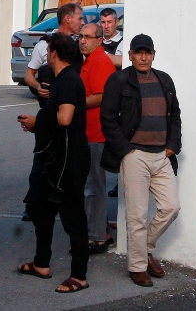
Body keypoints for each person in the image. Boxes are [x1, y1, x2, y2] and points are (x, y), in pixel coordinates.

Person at [99, 34, 182, 287]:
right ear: (131, 55)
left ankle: (144, 248)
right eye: (138, 52)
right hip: (135, 155)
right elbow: (108, 117)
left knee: (171, 207)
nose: (143, 57)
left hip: (161, 155)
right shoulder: (119, 80)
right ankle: (137, 267)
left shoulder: (164, 79)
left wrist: (173, 145)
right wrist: (126, 150)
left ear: (153, 55)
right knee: (136, 215)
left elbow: (175, 114)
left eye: (148, 52)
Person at [16, 33, 91, 294]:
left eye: (48, 50)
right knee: (42, 210)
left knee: (72, 216)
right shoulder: (62, 80)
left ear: (55, 53)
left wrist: (38, 123)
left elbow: (66, 117)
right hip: (53, 158)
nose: (46, 54)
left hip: (69, 160)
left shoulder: (69, 79)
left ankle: (79, 275)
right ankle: (41, 263)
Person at [22, 3, 84, 220]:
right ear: (67, 19)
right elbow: (29, 74)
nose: (82, 22)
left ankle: (64, 206)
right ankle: (33, 204)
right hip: (50, 111)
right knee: (42, 160)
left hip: (68, 114)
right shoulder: (44, 45)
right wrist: (38, 88)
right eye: (79, 18)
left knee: (66, 163)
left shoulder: (81, 44)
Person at [77, 23, 116, 254]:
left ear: (99, 40)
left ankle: (98, 236)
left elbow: (101, 97)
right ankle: (100, 231)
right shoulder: (91, 60)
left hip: (96, 133)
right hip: (88, 132)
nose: (83, 41)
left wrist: (75, 104)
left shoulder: (100, 62)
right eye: (81, 36)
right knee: (92, 184)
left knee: (93, 186)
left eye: (88, 37)